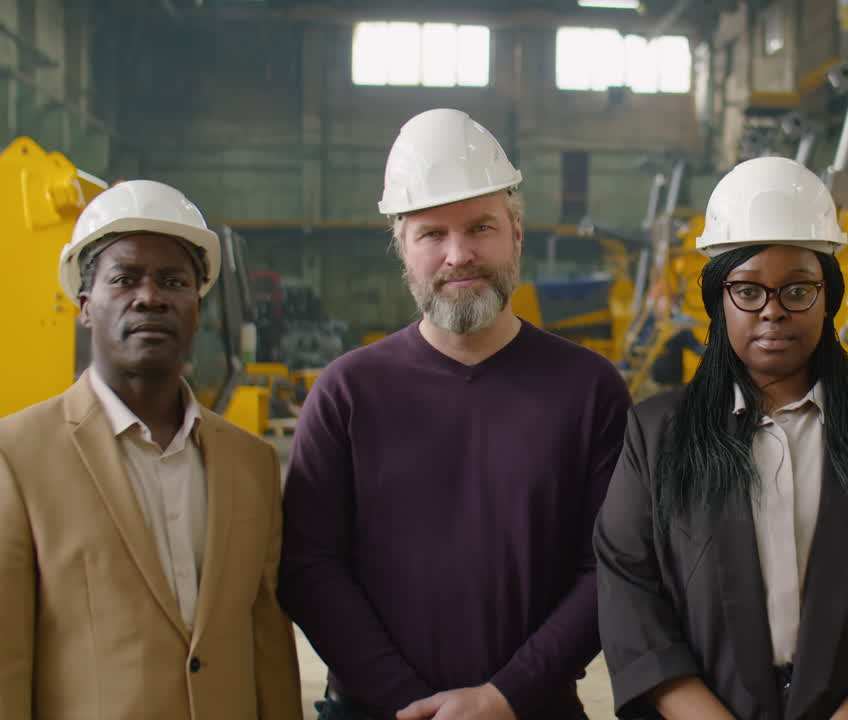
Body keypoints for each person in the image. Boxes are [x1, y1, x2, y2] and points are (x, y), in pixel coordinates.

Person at [278, 108, 631, 720]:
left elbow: (610, 567)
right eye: (432, 234)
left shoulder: (589, 390)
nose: (458, 254)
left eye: (480, 228)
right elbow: (310, 568)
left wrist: (506, 696)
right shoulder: (347, 393)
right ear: (403, 249)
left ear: (516, 235)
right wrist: (406, 703)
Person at [594, 156, 848, 720]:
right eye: (748, 291)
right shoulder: (658, 434)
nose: (773, 312)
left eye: (797, 291)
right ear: (718, 301)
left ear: (827, 298)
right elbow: (630, 593)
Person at [0, 180, 302, 719]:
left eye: (173, 281)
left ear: (196, 306)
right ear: (86, 307)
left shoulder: (250, 464)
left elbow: (268, 642)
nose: (150, 296)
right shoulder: (18, 457)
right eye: (124, 279)